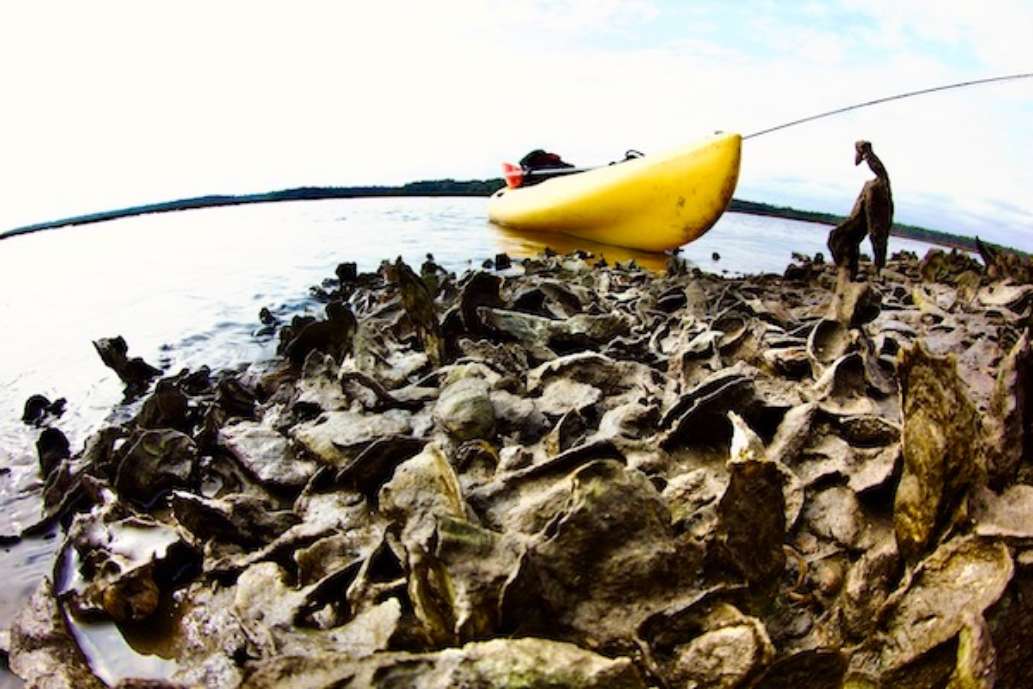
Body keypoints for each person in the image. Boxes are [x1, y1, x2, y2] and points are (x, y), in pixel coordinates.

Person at [827, 140, 894, 280]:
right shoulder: (875, 185)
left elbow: (877, 232)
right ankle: (852, 270)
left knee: (842, 238)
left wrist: (867, 154)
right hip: (862, 223)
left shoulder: (878, 187)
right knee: (840, 237)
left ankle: (872, 271)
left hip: (876, 206)